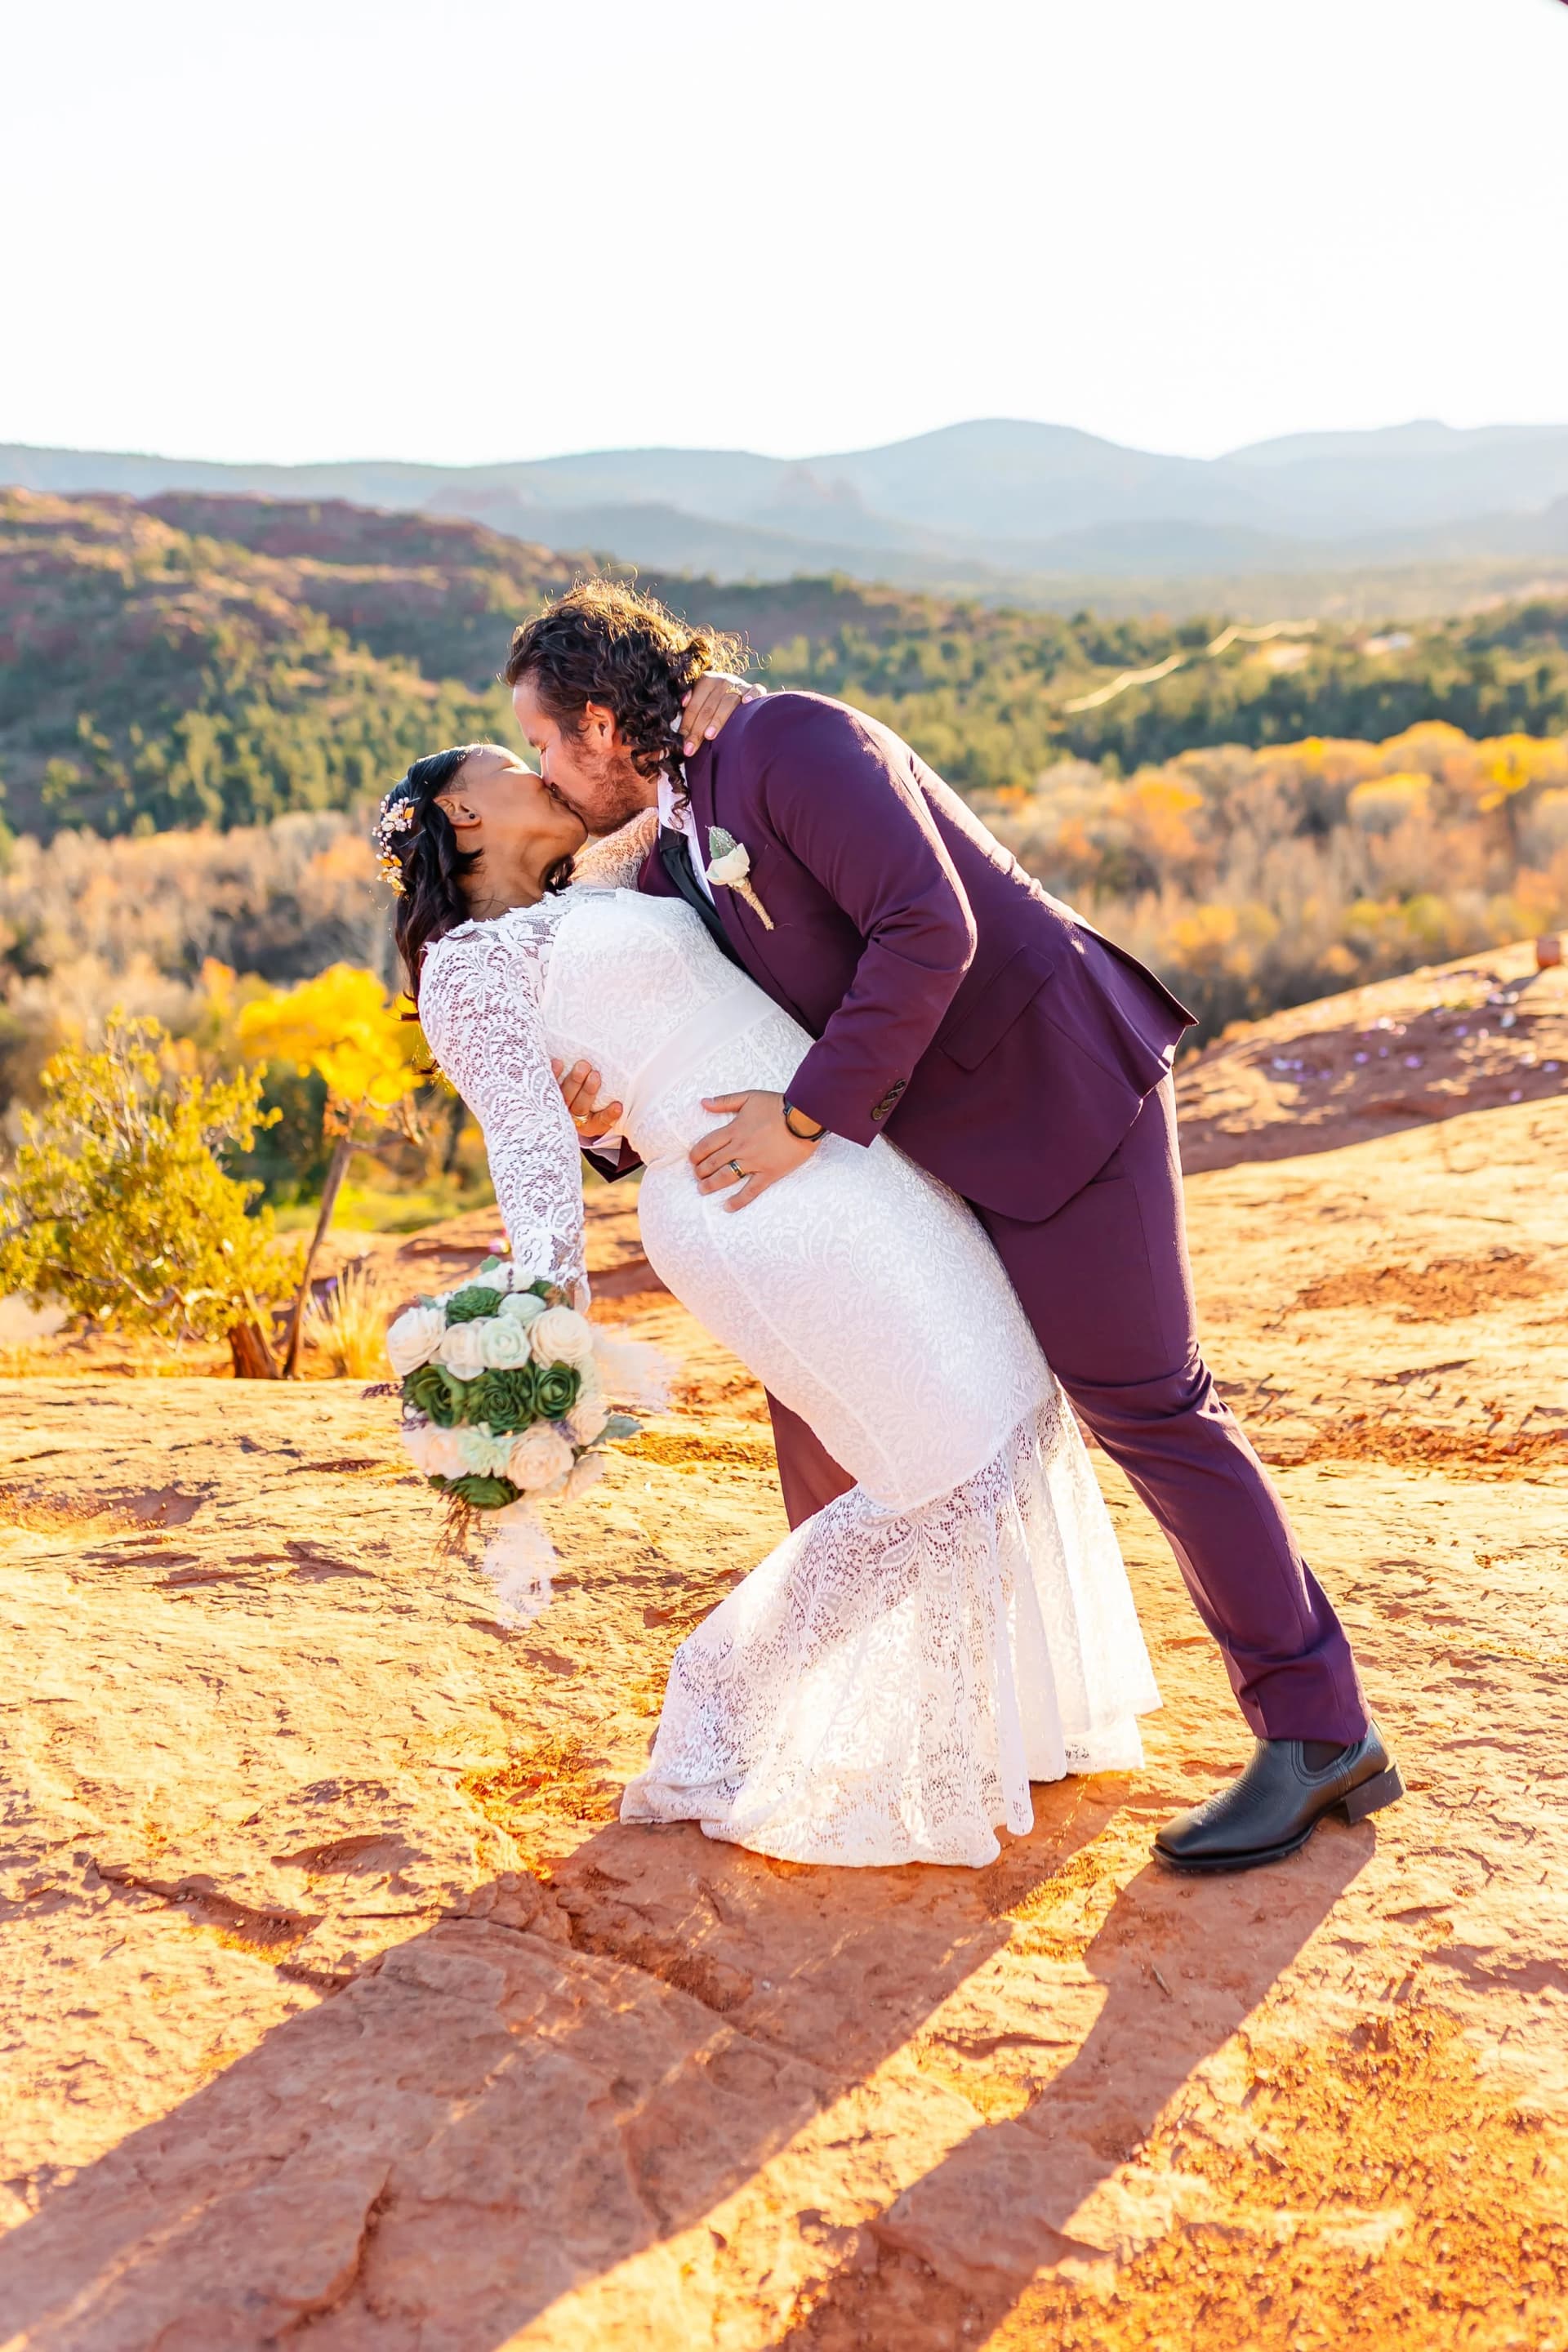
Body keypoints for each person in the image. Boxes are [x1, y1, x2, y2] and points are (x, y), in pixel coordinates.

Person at [508, 580, 1404, 1873]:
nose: (544, 774)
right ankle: (909, 1724)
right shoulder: (672, 842)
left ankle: (1319, 1734)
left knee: (1147, 1403)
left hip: (1055, 1099)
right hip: (915, 1152)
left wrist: (803, 1116)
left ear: (600, 725)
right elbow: (697, 1022)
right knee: (836, 1402)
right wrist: (600, 1123)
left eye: (543, 743)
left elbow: (931, 928)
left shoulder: (793, 742)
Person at [380, 739, 1160, 1870]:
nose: (548, 768)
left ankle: (1003, 1724)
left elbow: (681, 782)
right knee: (935, 1455)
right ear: (461, 813)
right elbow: (529, 1146)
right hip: (744, 1198)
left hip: (847, 1153)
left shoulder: (603, 876)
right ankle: (721, 1710)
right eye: (520, 759)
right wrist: (543, 1317)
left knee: (1009, 1395)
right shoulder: (463, 969)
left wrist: (714, 706)